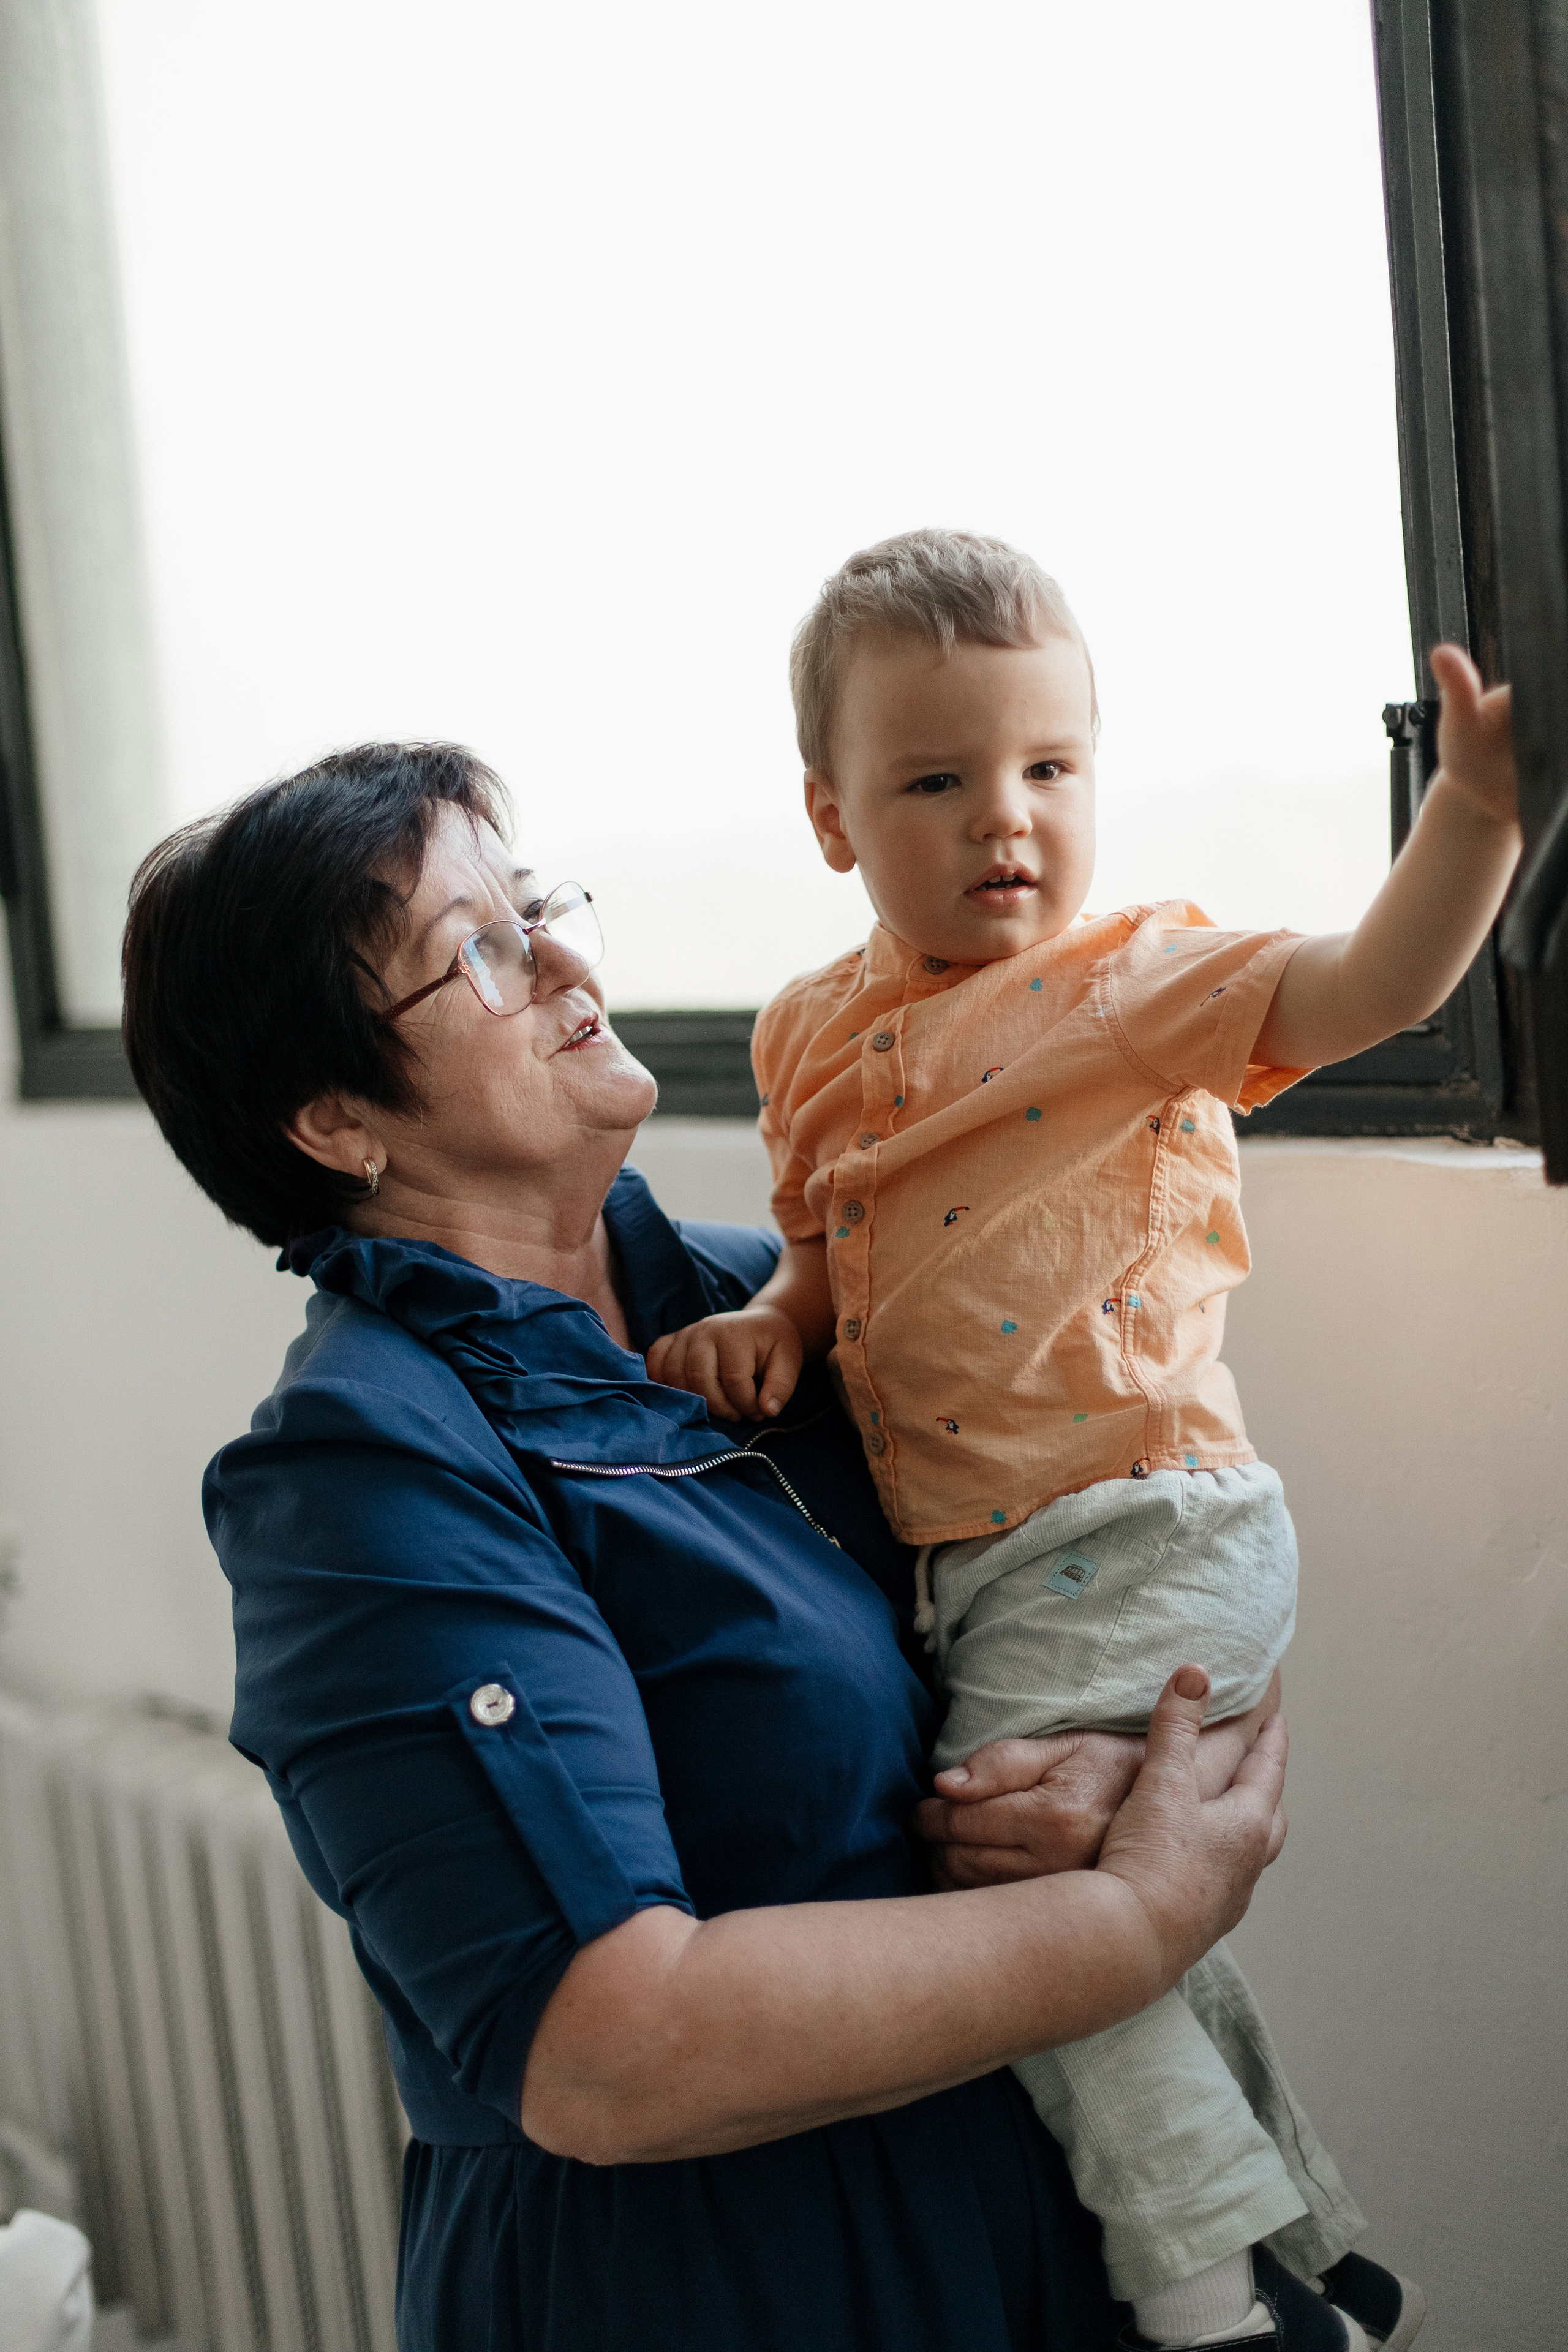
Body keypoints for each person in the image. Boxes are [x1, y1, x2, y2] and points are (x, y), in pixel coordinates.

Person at [119, 742, 1313, 2352]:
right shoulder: (361, 1474)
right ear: (337, 1120)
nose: (560, 961)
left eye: (537, 903)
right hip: (713, 2279)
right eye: (472, 950)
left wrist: (1115, 1755)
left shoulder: (772, 1308)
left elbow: (1151, 1521)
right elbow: (607, 2048)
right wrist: (1133, 1918)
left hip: (1033, 2216)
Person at [648, 531, 1516, 2352]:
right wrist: (771, 1325)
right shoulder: (811, 1031)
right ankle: (1311, 2263)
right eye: (940, 781)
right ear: (833, 818)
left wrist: (1478, 825)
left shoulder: (1135, 978)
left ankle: (1207, 2300)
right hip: (1001, 1562)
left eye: (1050, 770)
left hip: (1143, 1525)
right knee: (1085, 1922)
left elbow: (1376, 987)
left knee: (1021, 1923)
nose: (1005, 821)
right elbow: (828, 1250)